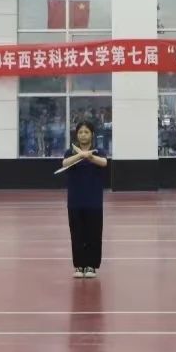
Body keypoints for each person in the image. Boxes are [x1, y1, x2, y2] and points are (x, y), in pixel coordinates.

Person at [59, 119, 108, 278]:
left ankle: (91, 266)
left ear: (92, 134)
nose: (83, 135)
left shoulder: (98, 151)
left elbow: (104, 163)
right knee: (77, 234)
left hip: (94, 202)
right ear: (77, 135)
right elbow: (64, 163)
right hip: (75, 201)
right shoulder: (70, 152)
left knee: (93, 234)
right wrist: (80, 155)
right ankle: (79, 266)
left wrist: (89, 156)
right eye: (80, 132)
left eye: (86, 132)